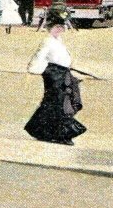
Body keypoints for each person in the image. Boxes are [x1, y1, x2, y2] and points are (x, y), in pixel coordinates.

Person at [24, 10, 86, 145]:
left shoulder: (58, 40)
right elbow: (39, 56)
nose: (60, 30)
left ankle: (41, 130)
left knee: (55, 103)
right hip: (53, 75)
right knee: (59, 103)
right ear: (50, 28)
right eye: (57, 27)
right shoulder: (47, 41)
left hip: (62, 73)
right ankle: (62, 134)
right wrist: (33, 69)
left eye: (61, 27)